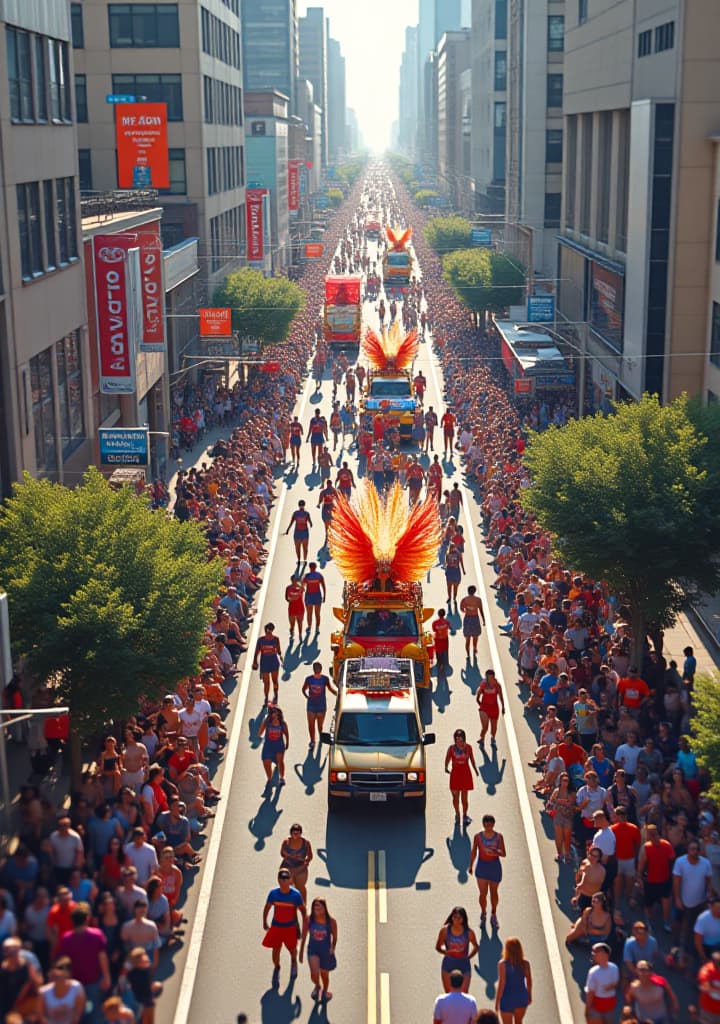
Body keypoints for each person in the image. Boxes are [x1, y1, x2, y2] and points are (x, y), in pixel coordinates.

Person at [262, 869, 307, 982]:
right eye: (282, 879)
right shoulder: (273, 894)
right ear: (278, 880)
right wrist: (264, 921)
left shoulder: (296, 895)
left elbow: (303, 910)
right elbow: (267, 907)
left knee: (292, 949)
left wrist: (305, 924)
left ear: (290, 880)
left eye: (286, 878)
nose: (284, 881)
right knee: (275, 950)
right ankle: (277, 968)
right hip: (276, 927)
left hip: (290, 928)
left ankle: (293, 962)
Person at [673, 838, 713, 948]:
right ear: (688, 850)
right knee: (678, 922)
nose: (694, 851)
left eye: (697, 849)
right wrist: (677, 898)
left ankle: (692, 946)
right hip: (683, 900)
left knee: (694, 926)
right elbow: (676, 882)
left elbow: (708, 881)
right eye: (692, 849)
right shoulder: (680, 862)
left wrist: (708, 895)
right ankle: (676, 941)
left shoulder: (706, 863)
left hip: (700, 902)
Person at [469, 815, 506, 928]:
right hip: (482, 867)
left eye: (490, 825)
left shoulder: (499, 837)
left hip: (494, 867)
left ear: (493, 824)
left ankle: (493, 913)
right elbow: (474, 851)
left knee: (494, 892)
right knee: (482, 893)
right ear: (483, 824)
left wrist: (495, 852)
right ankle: (483, 912)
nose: (488, 827)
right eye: (486, 824)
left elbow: (503, 853)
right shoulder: (478, 837)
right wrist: (471, 866)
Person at [637, 824, 674, 932]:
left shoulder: (653, 846)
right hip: (657, 880)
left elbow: (641, 865)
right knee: (657, 903)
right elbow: (672, 858)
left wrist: (639, 877)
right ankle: (658, 922)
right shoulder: (663, 845)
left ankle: (658, 922)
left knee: (657, 903)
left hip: (657, 880)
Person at [299, 898, 337, 1003]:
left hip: (326, 952)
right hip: (313, 950)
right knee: (314, 974)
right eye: (315, 905)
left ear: (324, 908)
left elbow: (335, 937)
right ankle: (317, 986)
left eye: (319, 905)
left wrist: (333, 947)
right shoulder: (309, 920)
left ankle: (325, 992)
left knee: (325, 975)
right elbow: (304, 935)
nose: (317, 907)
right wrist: (301, 951)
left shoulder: (331, 921)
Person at [435, 907, 478, 994]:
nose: (456, 920)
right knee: (449, 994)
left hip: (464, 965)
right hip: (448, 965)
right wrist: (446, 952)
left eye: (459, 918)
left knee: (464, 994)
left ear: (463, 919)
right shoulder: (445, 930)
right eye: (454, 917)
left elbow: (476, 947)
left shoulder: (469, 933)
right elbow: (438, 946)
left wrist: (468, 957)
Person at [445, 730, 478, 826]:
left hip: (465, 775)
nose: (458, 741)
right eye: (456, 739)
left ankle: (465, 815)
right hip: (455, 775)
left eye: (460, 739)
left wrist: (475, 770)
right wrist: (446, 767)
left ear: (464, 738)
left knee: (464, 799)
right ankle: (457, 813)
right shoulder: (451, 749)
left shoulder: (468, 748)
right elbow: (447, 759)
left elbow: (472, 759)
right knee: (455, 797)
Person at [495, 936, 531, 1023]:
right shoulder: (525, 963)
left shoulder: (502, 964)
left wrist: (497, 1002)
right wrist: (529, 995)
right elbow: (529, 981)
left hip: (507, 999)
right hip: (521, 997)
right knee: (519, 1021)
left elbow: (502, 983)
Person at [39, 956, 85, 1024]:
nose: (58, 979)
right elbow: (41, 1016)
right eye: (56, 977)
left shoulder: (76, 988)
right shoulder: (43, 992)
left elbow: (78, 1013)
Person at [301, 663, 337, 746]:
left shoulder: (325, 679)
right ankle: (312, 741)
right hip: (311, 706)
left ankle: (321, 737)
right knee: (311, 725)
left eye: (318, 669)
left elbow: (330, 689)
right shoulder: (309, 679)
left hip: (321, 706)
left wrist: (338, 694)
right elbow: (303, 689)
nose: (317, 670)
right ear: (314, 670)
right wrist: (307, 697)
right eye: (316, 669)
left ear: (321, 669)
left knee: (320, 725)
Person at [584, 942, 620, 1024]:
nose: (593, 954)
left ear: (605, 954)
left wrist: (587, 1009)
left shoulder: (594, 972)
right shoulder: (613, 968)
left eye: (596, 952)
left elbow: (591, 992)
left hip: (604, 1004)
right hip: (604, 1004)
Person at [546, 771, 576, 863]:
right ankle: (559, 853)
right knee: (558, 836)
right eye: (563, 780)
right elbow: (549, 804)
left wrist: (561, 804)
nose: (565, 782)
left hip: (567, 817)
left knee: (567, 836)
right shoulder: (556, 791)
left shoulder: (571, 793)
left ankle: (567, 854)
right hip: (558, 816)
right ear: (560, 781)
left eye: (567, 780)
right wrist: (560, 804)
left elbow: (572, 805)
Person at [279, 825, 313, 904]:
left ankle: (304, 904)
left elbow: (310, 856)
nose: (296, 835)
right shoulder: (286, 842)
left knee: (300, 887)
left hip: (301, 869)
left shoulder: (306, 843)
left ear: (301, 833)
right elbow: (282, 853)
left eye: (298, 833)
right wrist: (290, 856)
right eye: (294, 833)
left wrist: (306, 861)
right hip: (288, 868)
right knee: (288, 886)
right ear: (291, 833)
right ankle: (290, 903)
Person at [258, 706, 289, 789]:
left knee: (280, 761)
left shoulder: (282, 723)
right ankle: (269, 778)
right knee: (266, 762)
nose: (274, 715)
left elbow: (286, 733)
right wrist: (263, 723)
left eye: (275, 713)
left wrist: (287, 743)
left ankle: (281, 778)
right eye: (272, 713)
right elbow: (260, 733)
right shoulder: (267, 722)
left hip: (279, 745)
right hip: (268, 745)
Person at [252, 624, 283, 706]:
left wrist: (281, 657)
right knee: (266, 683)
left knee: (275, 680)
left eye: (269, 631)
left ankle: (276, 694)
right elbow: (257, 652)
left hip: (274, 662)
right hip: (265, 663)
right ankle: (266, 697)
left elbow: (279, 650)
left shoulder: (276, 639)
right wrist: (255, 662)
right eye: (266, 631)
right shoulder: (260, 640)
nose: (267, 633)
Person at [476, 668, 505, 746]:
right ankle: (482, 738)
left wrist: (503, 706)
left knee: (494, 727)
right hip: (484, 707)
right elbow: (478, 692)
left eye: (490, 678)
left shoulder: (497, 685)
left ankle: (492, 738)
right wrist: (479, 702)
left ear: (493, 677)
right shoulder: (484, 684)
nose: (488, 680)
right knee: (485, 726)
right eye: (487, 677)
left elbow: (501, 696)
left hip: (494, 707)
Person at [459, 586, 486, 658]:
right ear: (475, 591)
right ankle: (474, 648)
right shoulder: (478, 600)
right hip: (475, 619)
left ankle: (468, 654)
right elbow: (481, 610)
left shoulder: (464, 600)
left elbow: (461, 609)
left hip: (467, 619)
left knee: (467, 638)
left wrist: (467, 609)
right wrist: (483, 620)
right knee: (475, 636)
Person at [303, 562, 326, 632]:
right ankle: (317, 627)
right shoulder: (319, 575)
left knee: (310, 613)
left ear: (309, 567)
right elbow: (323, 586)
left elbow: (302, 586)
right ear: (315, 567)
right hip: (317, 595)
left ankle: (310, 627)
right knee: (317, 613)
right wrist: (324, 595)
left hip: (309, 595)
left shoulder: (307, 576)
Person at [695, 896, 720, 962]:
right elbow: (698, 941)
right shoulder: (703, 918)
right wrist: (703, 957)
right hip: (707, 946)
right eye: (717, 908)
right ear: (711, 907)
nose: (719, 911)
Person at [284, 575, 305, 642]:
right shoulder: (288, 588)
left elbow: (302, 591)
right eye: (295, 580)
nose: (296, 581)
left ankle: (300, 635)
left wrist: (300, 588)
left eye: (297, 580)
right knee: (292, 624)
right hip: (292, 608)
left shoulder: (300, 588)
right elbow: (290, 597)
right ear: (292, 580)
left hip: (300, 607)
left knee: (300, 622)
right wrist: (299, 591)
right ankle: (292, 630)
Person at [432, 609, 452, 677]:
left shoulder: (435, 623)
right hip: (445, 639)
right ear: (444, 614)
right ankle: (444, 663)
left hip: (438, 639)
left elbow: (434, 629)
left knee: (438, 651)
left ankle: (440, 663)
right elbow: (450, 627)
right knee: (444, 651)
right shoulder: (447, 622)